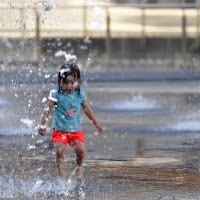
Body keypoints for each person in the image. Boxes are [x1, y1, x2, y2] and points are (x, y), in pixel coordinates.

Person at [38, 63, 103, 181]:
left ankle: (78, 168)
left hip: (75, 129)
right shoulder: (56, 95)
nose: (69, 86)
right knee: (59, 151)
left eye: (72, 83)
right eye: (65, 83)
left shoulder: (79, 95)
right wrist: (42, 124)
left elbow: (87, 109)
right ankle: (61, 176)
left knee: (81, 152)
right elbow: (47, 109)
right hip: (59, 129)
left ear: (77, 81)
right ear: (60, 81)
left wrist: (95, 123)